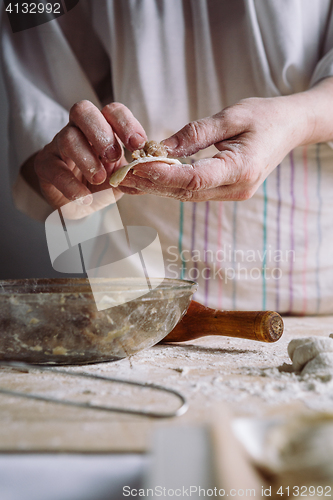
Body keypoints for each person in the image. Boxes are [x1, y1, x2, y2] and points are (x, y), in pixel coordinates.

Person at [2, 0, 333, 313]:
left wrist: (299, 121)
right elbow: (39, 106)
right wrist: (65, 173)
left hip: (313, 285)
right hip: (139, 296)